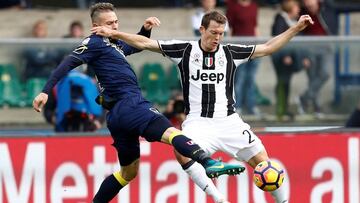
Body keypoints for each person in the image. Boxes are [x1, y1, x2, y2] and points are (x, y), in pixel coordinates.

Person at [91, 10, 313, 203]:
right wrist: (114, 33)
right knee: (181, 150)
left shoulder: (231, 53)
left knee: (266, 166)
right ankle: (219, 198)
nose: (217, 38)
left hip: (229, 121)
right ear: (202, 29)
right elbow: (145, 43)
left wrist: (295, 28)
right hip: (199, 121)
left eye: (221, 33)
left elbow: (267, 47)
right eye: (213, 32)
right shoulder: (184, 50)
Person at [32, 3, 245, 203]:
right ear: (96, 26)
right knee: (172, 133)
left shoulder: (111, 44)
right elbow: (68, 62)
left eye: (116, 22)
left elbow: (134, 47)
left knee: (128, 172)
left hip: (117, 115)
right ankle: (208, 162)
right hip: (130, 104)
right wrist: (45, 91)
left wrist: (144, 30)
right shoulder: (93, 42)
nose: (115, 26)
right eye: (109, 23)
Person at [299, 0, 360, 115]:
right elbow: (298, 33)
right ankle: (315, 107)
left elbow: (347, 6)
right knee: (313, 78)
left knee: (325, 73)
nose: (307, 3)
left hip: (326, 46)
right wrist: (303, 56)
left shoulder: (328, 7)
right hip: (309, 49)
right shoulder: (302, 12)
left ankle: (305, 97)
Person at [271, 0, 311, 120]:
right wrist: (285, 55)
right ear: (290, 8)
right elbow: (278, 38)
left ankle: (284, 109)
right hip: (281, 57)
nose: (298, 10)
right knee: (283, 82)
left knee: (286, 82)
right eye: (296, 7)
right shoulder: (280, 19)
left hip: (291, 57)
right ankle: (281, 109)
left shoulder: (292, 20)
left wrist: (303, 57)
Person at [226, 0, 262, 116]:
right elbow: (229, 29)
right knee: (239, 79)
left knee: (251, 79)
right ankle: (237, 107)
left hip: (253, 48)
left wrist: (259, 46)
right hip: (239, 49)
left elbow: (255, 26)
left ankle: (251, 106)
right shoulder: (233, 7)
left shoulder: (254, 6)